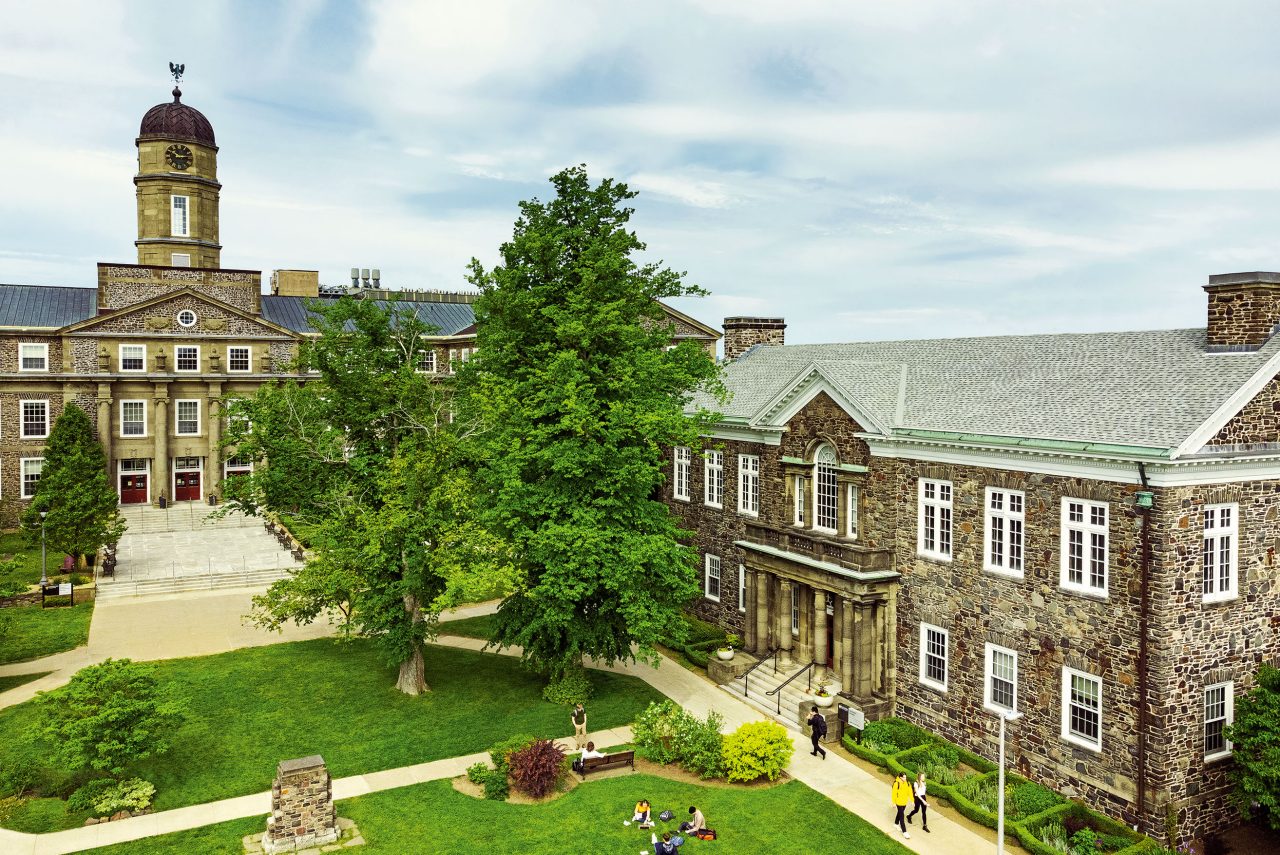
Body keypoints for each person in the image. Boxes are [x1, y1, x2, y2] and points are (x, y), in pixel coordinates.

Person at [892, 771, 913, 839]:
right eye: (904, 777)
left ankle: (895, 824)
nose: (905, 778)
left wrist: (912, 800)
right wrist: (894, 802)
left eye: (905, 777)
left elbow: (910, 792)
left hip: (904, 802)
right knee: (902, 816)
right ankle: (905, 832)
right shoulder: (896, 783)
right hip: (898, 802)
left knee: (900, 813)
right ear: (900, 777)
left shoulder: (908, 783)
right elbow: (894, 794)